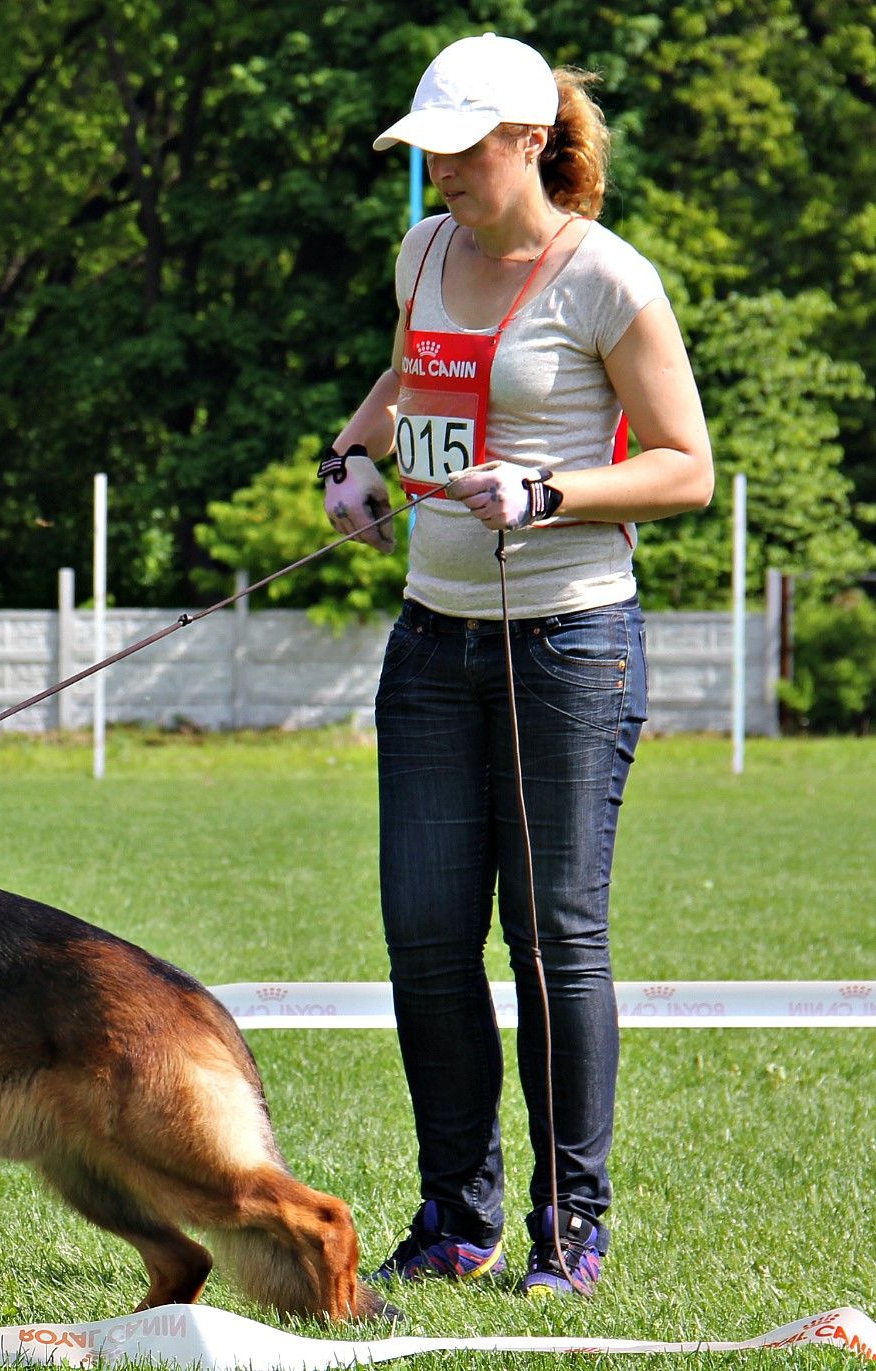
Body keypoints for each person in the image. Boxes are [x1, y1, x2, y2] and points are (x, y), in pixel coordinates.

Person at [317, 33, 713, 1297]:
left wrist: (547, 490)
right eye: (424, 149)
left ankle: (568, 1226)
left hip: (569, 648)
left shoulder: (605, 278)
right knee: (426, 940)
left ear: (528, 140)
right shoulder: (423, 251)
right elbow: (403, 376)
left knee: (549, 939)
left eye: (457, 148)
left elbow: (683, 467)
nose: (437, 171)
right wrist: (350, 459)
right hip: (430, 644)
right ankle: (453, 1215)